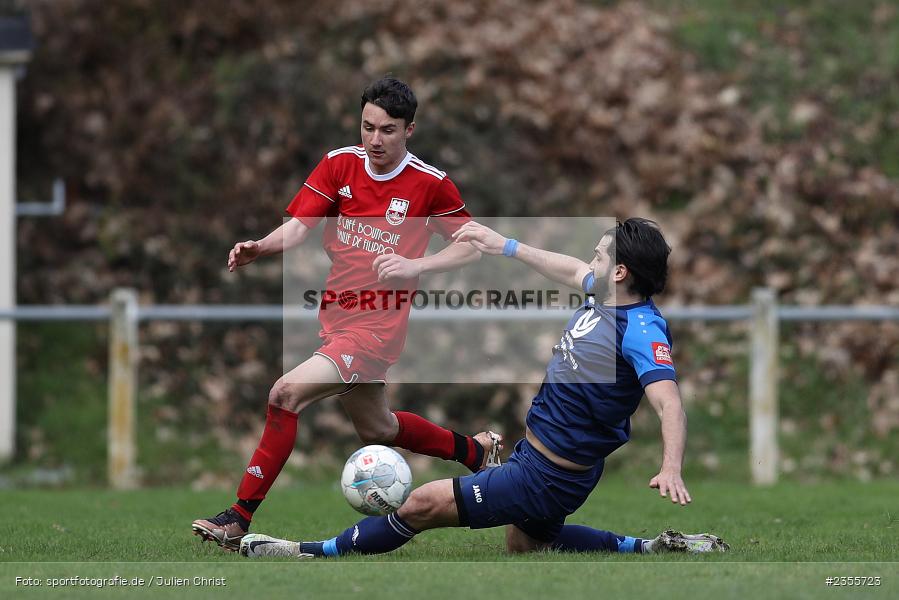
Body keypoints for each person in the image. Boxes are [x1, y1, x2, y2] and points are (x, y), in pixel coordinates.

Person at [237, 218, 729, 559]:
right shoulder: (606, 294)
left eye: (599, 256)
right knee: (528, 547)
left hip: (548, 475)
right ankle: (648, 546)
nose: (589, 262)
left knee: (420, 505)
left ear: (620, 273)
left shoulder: (642, 330)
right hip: (544, 464)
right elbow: (564, 267)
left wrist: (670, 467)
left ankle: (308, 552)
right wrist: (506, 246)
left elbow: (669, 403)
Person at [192, 77, 502, 551]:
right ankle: (474, 451)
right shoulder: (340, 164)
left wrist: (415, 265)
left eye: (388, 130)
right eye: (368, 127)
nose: (375, 140)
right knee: (380, 429)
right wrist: (262, 246)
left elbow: (471, 247)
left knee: (285, 394)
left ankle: (238, 516)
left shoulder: (430, 184)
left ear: (409, 130)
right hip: (337, 319)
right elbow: (298, 228)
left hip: (376, 327)